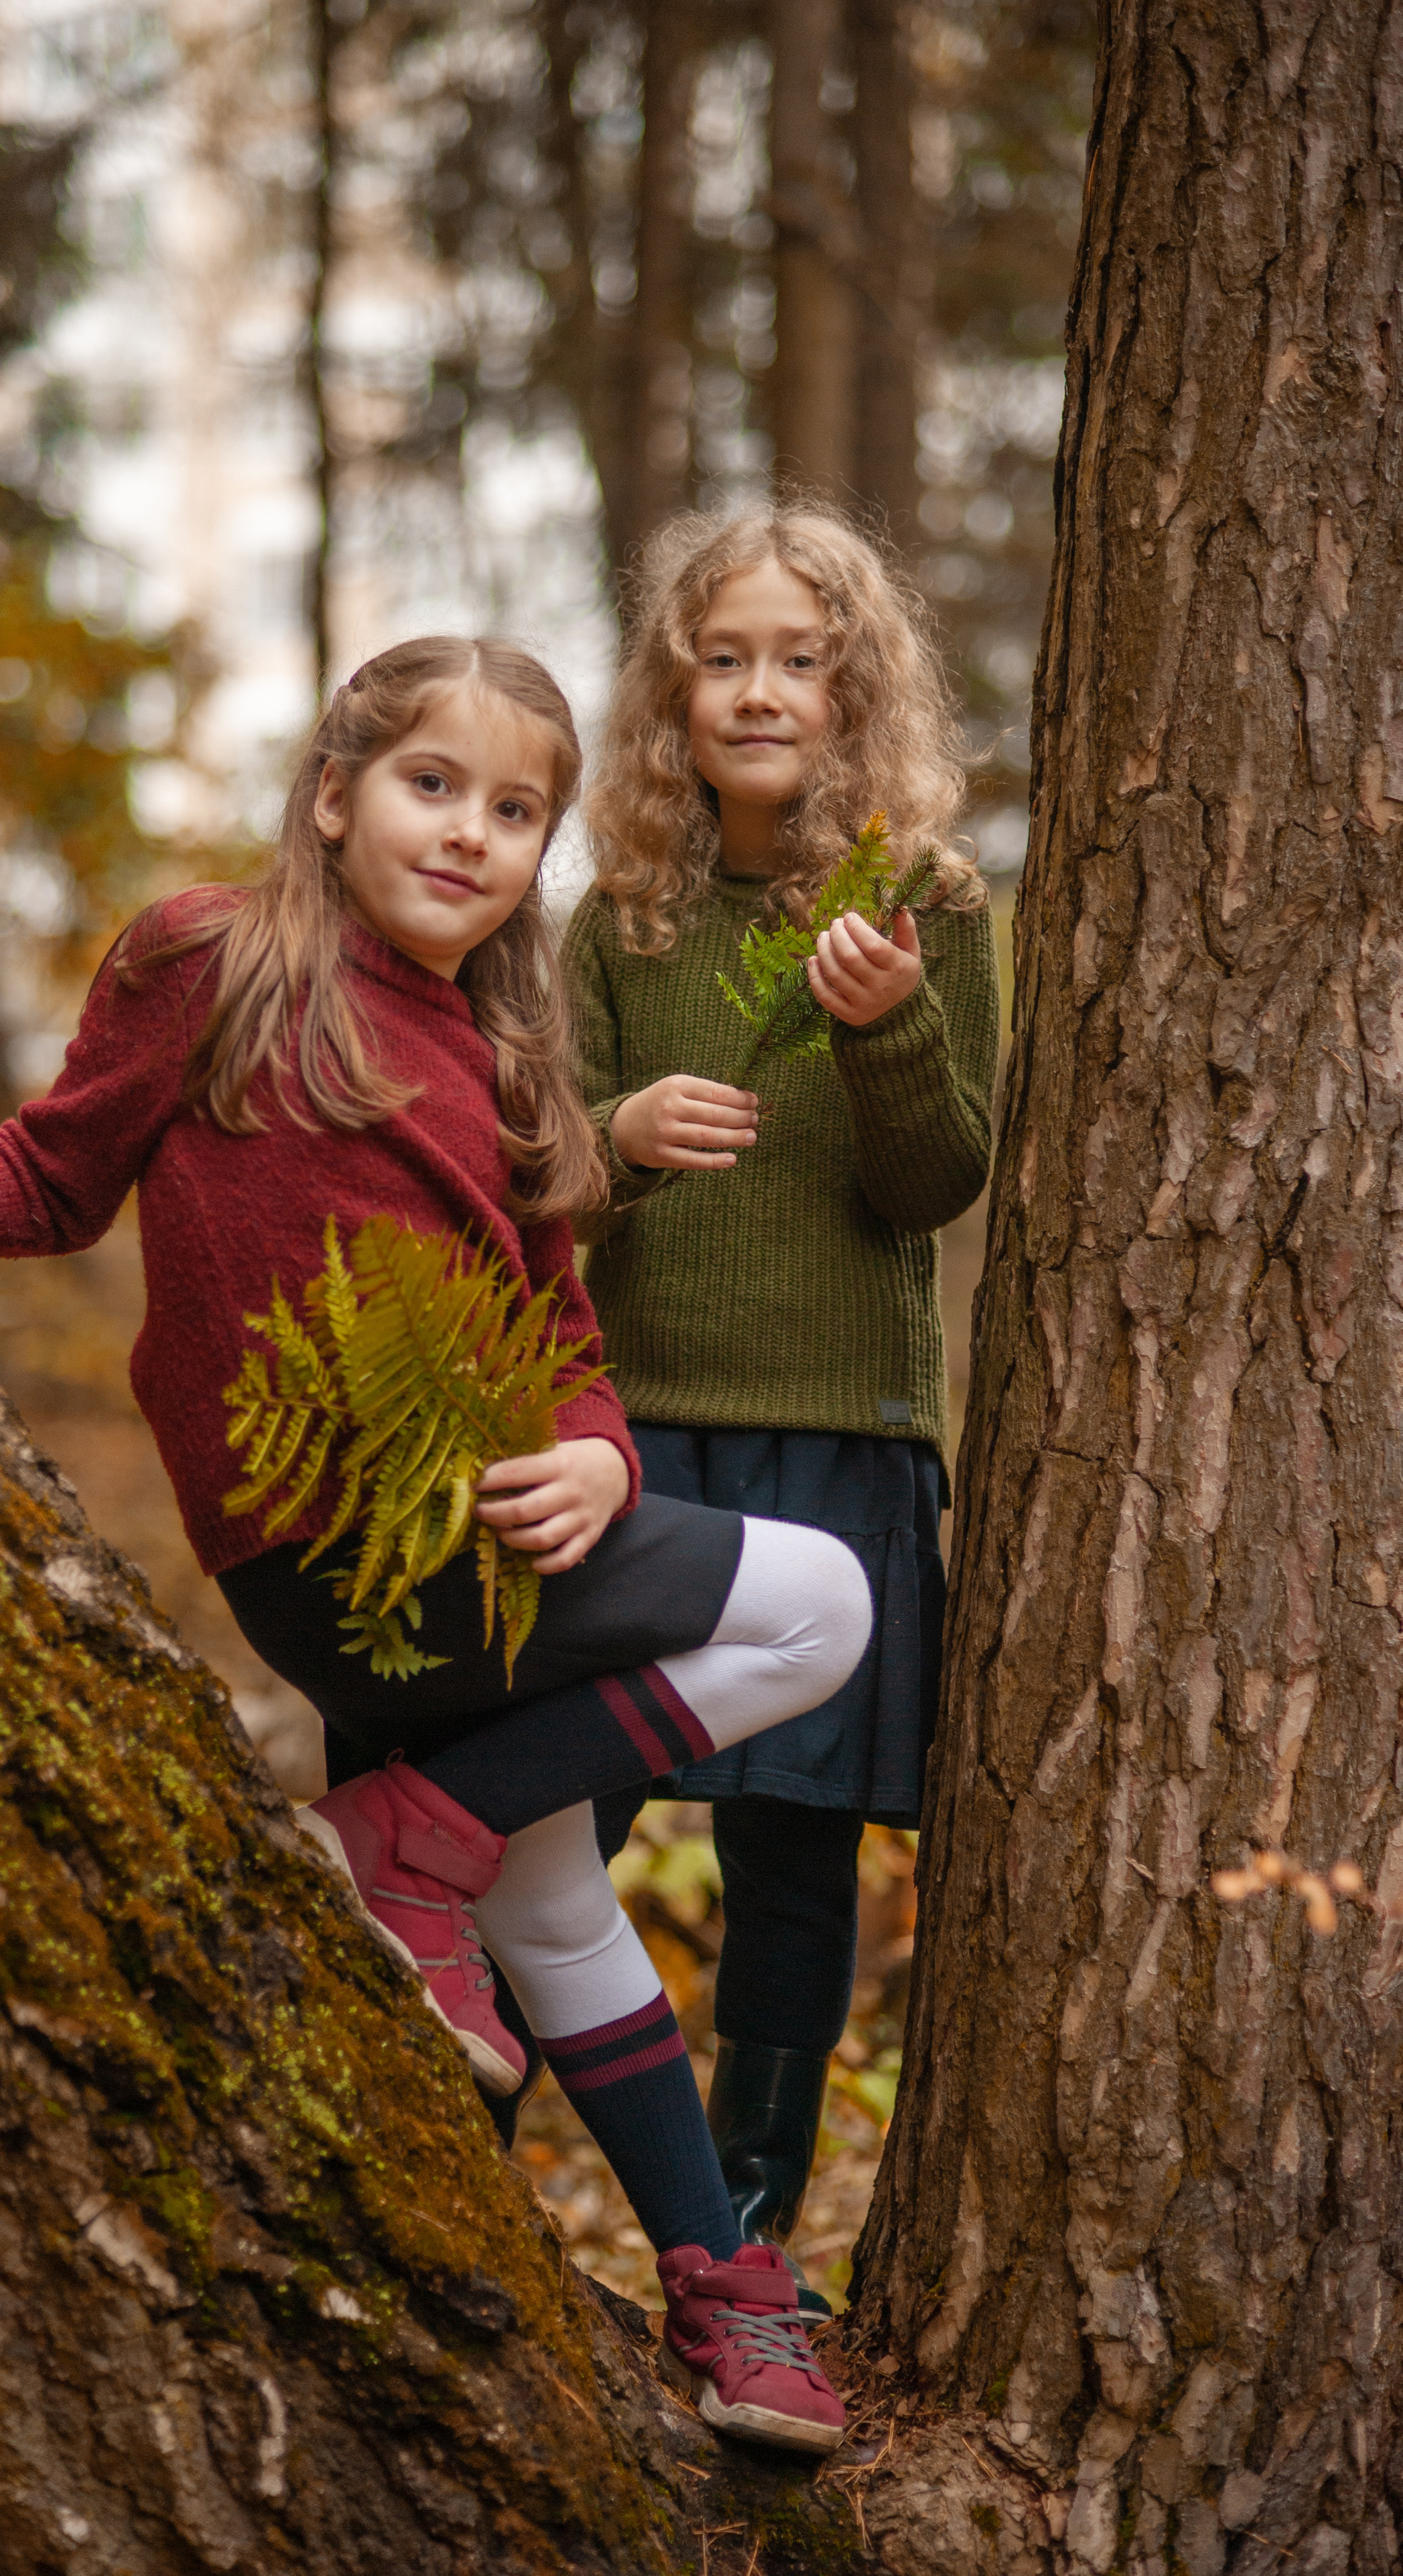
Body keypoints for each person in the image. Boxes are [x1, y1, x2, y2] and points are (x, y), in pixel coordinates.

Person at [0, 633, 871, 2456]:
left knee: (555, 1896)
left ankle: (727, 2298)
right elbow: (54, 1173)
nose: (473, 835)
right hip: (334, 1549)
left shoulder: (517, 1058)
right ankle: (399, 1845)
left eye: (519, 812)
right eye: (435, 785)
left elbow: (567, 1347)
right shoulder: (216, 958)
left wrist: (597, 1463)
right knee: (823, 1599)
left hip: (498, 1547)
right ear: (339, 790)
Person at [561, 508, 999, 2312]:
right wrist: (622, 1143)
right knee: (555, 1821)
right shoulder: (619, 919)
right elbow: (543, 1182)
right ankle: (483, 2155)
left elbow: (941, 1179)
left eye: (798, 660)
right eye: (721, 657)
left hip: (844, 1440)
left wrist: (889, 1026)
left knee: (792, 1873)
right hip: (643, 1437)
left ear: (855, 691)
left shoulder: (925, 908)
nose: (758, 690)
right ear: (675, 696)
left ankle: (738, 2237)